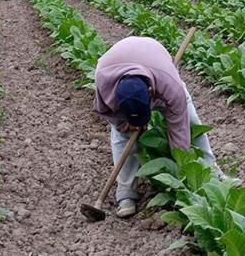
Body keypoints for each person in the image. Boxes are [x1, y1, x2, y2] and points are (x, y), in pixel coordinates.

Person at [93, 36, 234, 217]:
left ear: (151, 93)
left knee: (191, 122)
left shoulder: (169, 84)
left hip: (156, 64)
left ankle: (213, 172)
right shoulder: (103, 79)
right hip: (118, 66)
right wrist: (122, 123)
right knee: (122, 136)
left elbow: (179, 131)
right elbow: (104, 110)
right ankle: (126, 194)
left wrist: (183, 170)